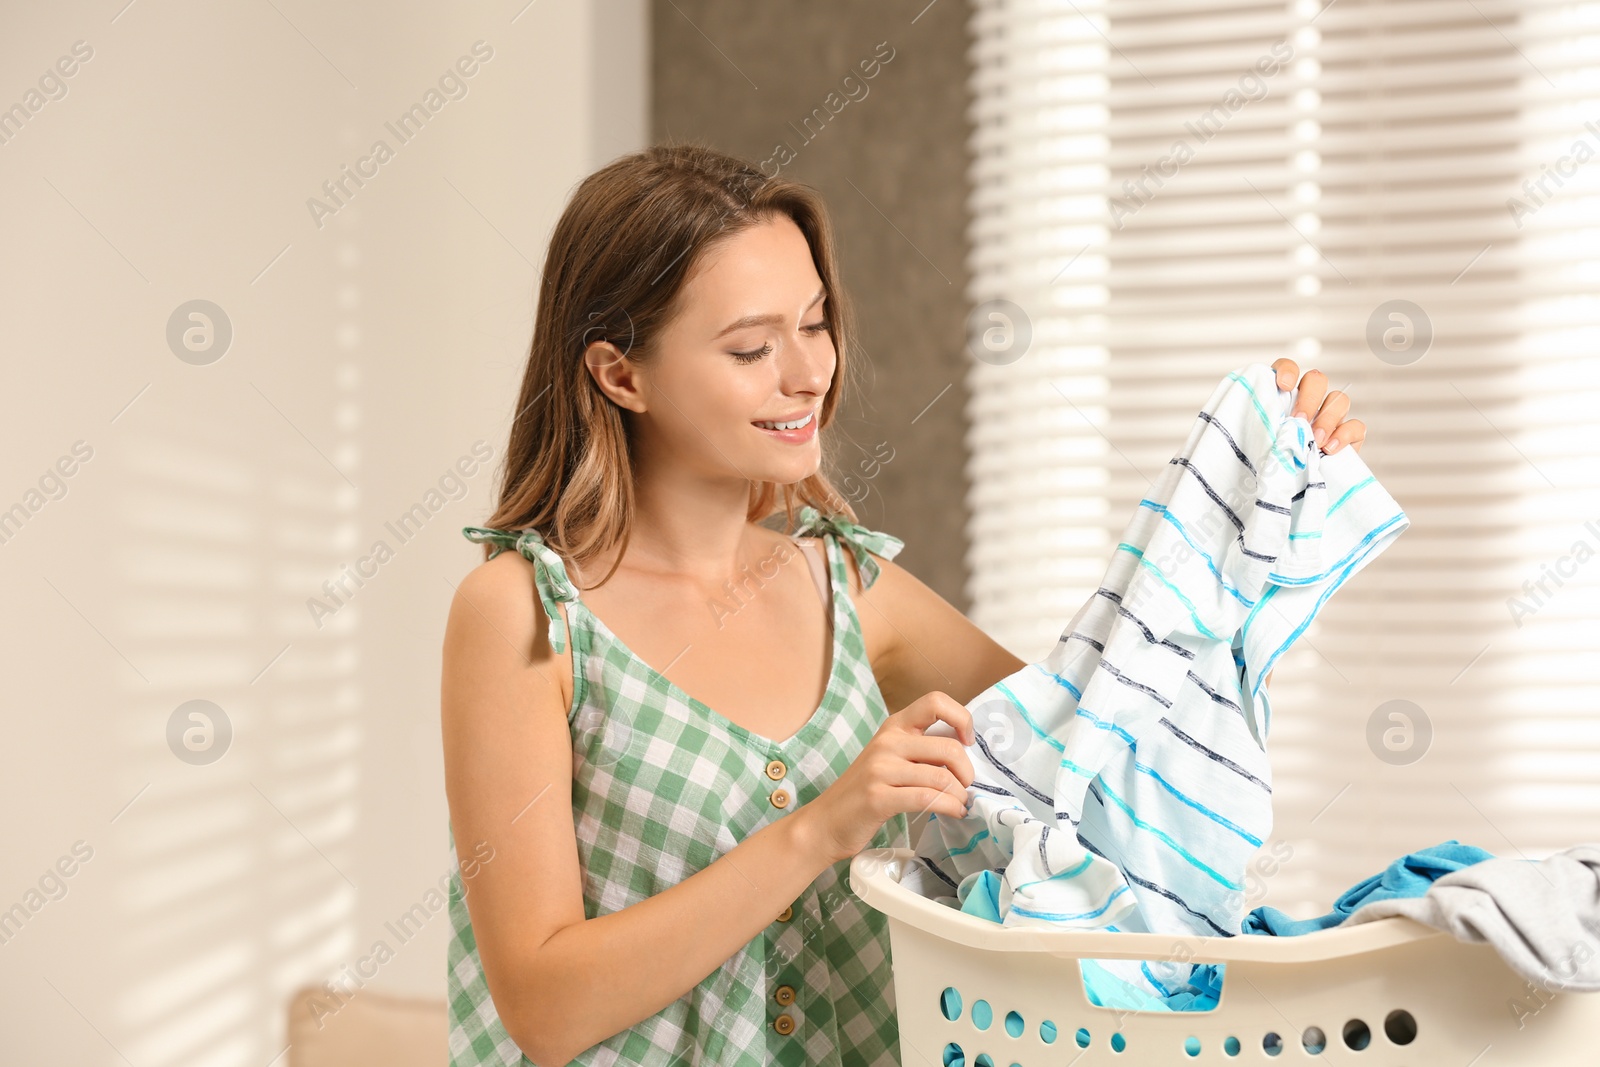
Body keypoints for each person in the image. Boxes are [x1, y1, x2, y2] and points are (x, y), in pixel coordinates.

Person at [438, 141, 1366, 1067]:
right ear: (619, 374)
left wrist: (1249, 509)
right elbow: (544, 1007)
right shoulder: (526, 615)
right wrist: (821, 828)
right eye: (752, 347)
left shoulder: (851, 589)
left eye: (815, 324)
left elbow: (1101, 754)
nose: (808, 374)